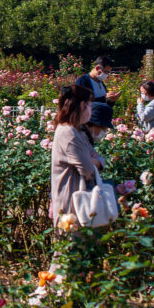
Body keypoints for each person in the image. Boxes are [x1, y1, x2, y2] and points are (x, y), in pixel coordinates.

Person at [49, 84, 96, 226]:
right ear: (82, 105)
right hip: (71, 200)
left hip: (78, 198)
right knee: (71, 243)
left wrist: (94, 160)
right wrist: (95, 162)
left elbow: (96, 157)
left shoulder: (78, 131)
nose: (90, 109)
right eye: (89, 105)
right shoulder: (68, 133)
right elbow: (88, 169)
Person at [82, 102, 114, 172]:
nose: (104, 132)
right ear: (93, 124)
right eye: (103, 128)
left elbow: (99, 159)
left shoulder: (87, 139)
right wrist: (98, 163)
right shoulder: (78, 138)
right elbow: (84, 163)